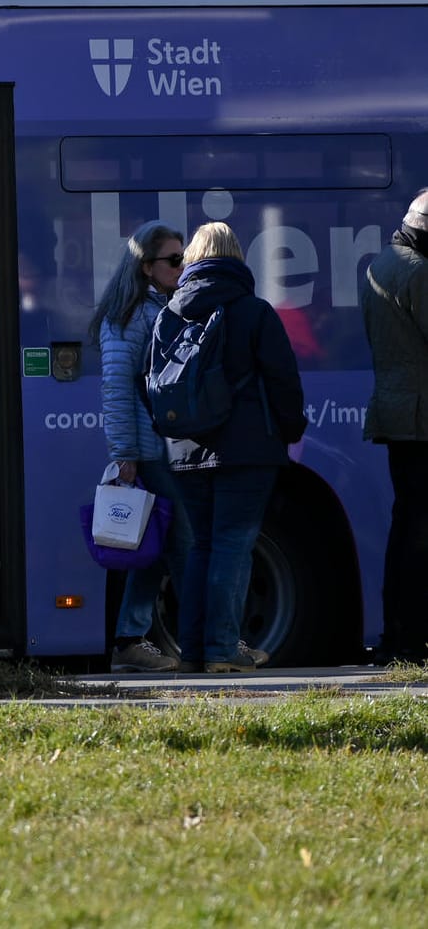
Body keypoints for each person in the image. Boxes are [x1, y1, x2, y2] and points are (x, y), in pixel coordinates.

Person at [160, 222, 306, 673]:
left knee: (201, 545)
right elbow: (283, 382)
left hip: (184, 447)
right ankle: (224, 648)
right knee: (232, 544)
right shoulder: (255, 312)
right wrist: (288, 430)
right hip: (246, 450)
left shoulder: (170, 313)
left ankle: (193, 651)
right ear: (237, 258)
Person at [89, 221, 190, 673]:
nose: (181, 266)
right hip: (150, 449)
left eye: (183, 257)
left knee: (154, 544)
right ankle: (207, 640)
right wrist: (125, 454)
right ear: (146, 266)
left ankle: (131, 639)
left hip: (162, 446)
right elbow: (115, 389)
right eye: (173, 259)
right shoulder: (129, 315)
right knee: (182, 542)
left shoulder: (159, 307)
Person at [361, 189, 428, 664]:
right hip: (423, 417)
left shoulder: (380, 264)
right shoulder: (420, 273)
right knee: (419, 532)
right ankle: (409, 636)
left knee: (406, 527)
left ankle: (398, 635)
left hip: (396, 412)